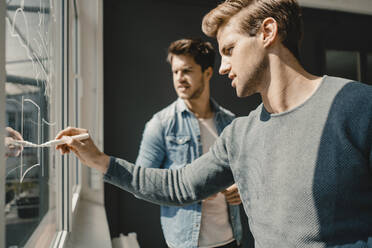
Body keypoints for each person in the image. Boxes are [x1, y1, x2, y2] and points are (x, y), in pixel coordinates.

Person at [56, 0, 372, 247]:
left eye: (230, 50)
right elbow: (176, 186)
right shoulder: (240, 135)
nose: (222, 68)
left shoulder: (358, 106)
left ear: (267, 32)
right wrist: (99, 160)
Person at [135, 38, 242, 248]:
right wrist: (190, 186)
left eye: (187, 71)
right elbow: (140, 185)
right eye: (175, 72)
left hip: (230, 239)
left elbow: (246, 171)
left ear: (208, 73)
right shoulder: (160, 124)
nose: (179, 79)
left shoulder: (230, 123)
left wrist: (241, 186)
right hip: (185, 242)